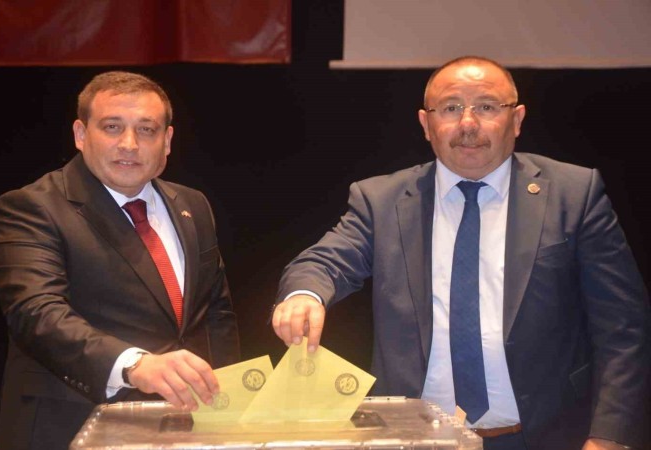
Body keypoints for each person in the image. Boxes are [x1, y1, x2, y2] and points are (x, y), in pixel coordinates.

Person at [272, 56, 649, 450]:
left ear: (516, 120)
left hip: (545, 438)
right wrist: (305, 295)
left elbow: (623, 328)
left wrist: (609, 438)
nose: (468, 124)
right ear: (426, 124)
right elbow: (324, 261)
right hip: (415, 441)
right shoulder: (382, 201)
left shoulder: (573, 194)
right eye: (451, 108)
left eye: (486, 107)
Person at [0, 71, 240, 450]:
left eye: (146, 130)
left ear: (167, 141)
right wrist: (135, 365)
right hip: (71, 426)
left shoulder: (192, 205)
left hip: (187, 425)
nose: (129, 144)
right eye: (112, 127)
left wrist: (228, 404)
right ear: (80, 134)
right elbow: (36, 313)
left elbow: (215, 313)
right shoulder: (31, 207)